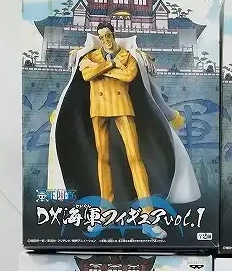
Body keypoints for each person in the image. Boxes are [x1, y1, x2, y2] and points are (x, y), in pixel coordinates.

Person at [47, 22, 201, 240]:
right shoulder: (90, 57)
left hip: (123, 108)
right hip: (97, 110)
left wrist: (104, 70)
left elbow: (129, 76)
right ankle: (105, 211)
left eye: (108, 35)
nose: (106, 40)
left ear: (113, 35)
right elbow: (87, 75)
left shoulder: (127, 57)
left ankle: (148, 215)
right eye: (102, 36)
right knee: (102, 160)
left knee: (135, 158)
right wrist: (112, 66)